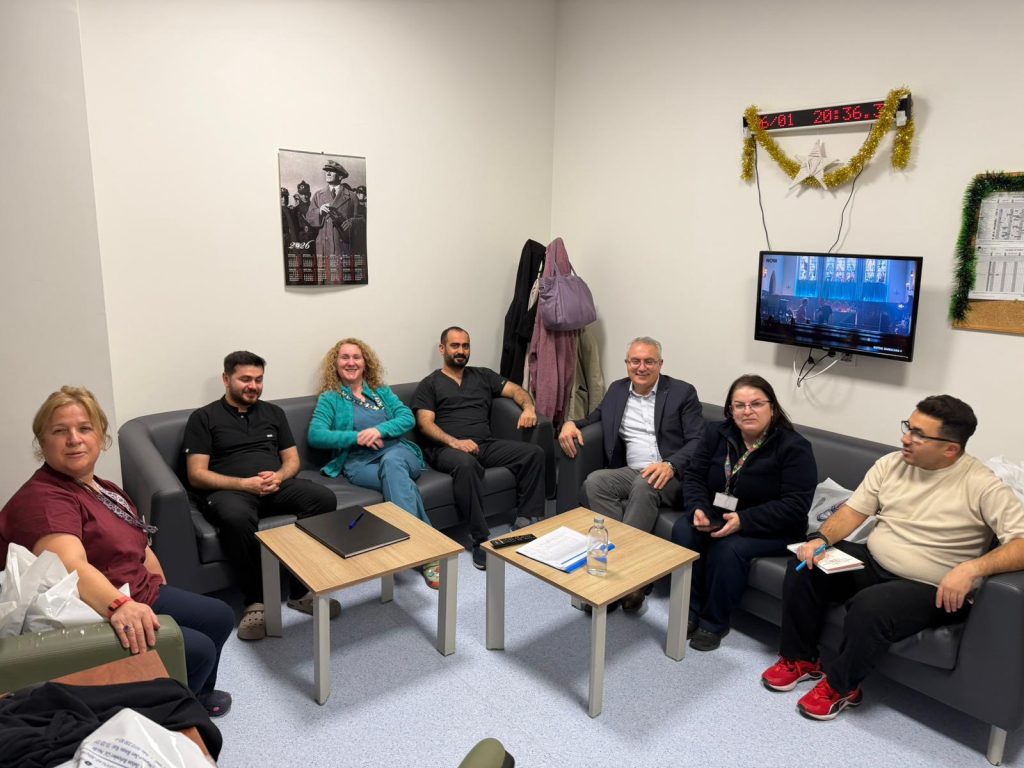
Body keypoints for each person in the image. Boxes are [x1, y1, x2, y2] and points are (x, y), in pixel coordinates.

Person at [761, 395, 1024, 721]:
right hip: (874, 562)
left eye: (918, 434)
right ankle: (801, 659)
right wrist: (821, 539)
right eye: (908, 427)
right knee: (806, 568)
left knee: (870, 607)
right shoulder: (891, 464)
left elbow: (1021, 543)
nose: (905, 438)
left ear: (950, 449)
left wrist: (973, 568)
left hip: (931, 586)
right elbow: (854, 511)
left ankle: (842, 687)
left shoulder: (983, 485)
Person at [0, 387, 235, 717]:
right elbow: (69, 564)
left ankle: (194, 694)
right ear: (42, 443)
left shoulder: (101, 487)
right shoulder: (45, 499)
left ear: (101, 437)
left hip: (134, 590)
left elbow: (139, 543)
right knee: (197, 650)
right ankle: (172, 717)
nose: (74, 439)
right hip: (92, 609)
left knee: (219, 616)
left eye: (84, 428)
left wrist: (159, 583)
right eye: (60, 431)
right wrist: (119, 606)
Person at [184, 351, 338, 641]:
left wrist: (279, 476)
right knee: (236, 517)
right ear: (226, 379)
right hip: (230, 491)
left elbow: (292, 461)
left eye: (258, 379)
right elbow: (197, 474)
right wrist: (244, 484)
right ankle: (256, 601)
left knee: (323, 499)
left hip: (273, 486)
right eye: (245, 379)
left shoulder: (273, 413)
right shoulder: (203, 418)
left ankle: (301, 590)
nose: (253, 386)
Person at [671, 374, 816, 652]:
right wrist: (698, 508)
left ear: (772, 407)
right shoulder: (716, 433)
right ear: (731, 410)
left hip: (774, 528)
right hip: (719, 513)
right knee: (684, 529)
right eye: (739, 405)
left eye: (756, 404)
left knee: (728, 548)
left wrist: (744, 521)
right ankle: (690, 608)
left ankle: (713, 622)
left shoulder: (794, 447)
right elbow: (694, 476)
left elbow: (795, 505)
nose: (747, 411)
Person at [558, 336, 704, 612]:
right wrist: (569, 424)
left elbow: (698, 440)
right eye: (635, 361)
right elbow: (593, 419)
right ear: (627, 363)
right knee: (595, 482)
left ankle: (622, 578)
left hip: (671, 475)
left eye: (649, 361)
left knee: (645, 483)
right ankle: (628, 577)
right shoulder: (617, 390)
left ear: (660, 364)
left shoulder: (682, 392)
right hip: (632, 470)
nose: (641, 367)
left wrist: (670, 464)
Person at [307, 338, 440, 589]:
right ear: (336, 364)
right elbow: (316, 435)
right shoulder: (330, 398)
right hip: (360, 465)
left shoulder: (381, 391)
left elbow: (407, 417)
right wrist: (357, 437)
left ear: (365, 362)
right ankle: (429, 551)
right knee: (401, 482)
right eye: (344, 357)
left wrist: (379, 430)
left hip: (400, 453)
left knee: (392, 462)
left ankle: (413, 547)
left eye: (356, 357)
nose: (351, 362)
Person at [412, 326, 545, 570]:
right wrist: (455, 442)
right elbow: (424, 423)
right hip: (445, 448)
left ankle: (527, 519)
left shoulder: (483, 375)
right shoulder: (429, 384)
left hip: (484, 444)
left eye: (465, 346)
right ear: (442, 349)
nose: (461, 351)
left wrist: (528, 408)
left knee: (533, 453)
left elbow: (517, 390)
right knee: (466, 464)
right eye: (455, 345)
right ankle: (480, 539)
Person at [304, 160, 355, 258]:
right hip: (324, 247)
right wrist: (319, 211)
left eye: (332, 171)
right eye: (326, 171)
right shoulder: (318, 195)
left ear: (340, 176)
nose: (328, 173)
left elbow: (362, 219)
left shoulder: (351, 196)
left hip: (342, 247)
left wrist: (352, 222)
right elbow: (309, 217)